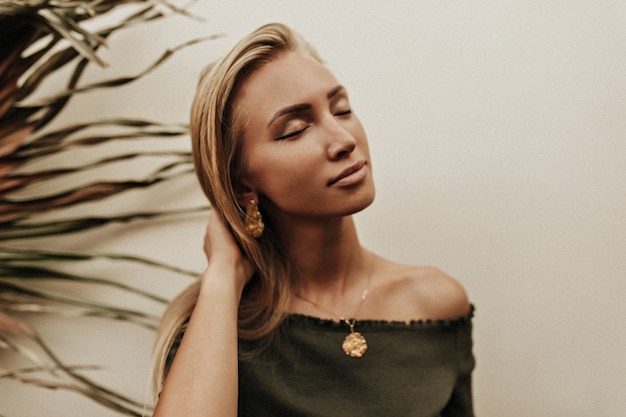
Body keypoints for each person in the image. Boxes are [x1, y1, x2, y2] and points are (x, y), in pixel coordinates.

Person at [151, 22, 475, 417]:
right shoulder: (216, 330)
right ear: (242, 187)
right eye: (295, 129)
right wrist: (221, 275)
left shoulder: (436, 303)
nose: (344, 139)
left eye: (342, 109)